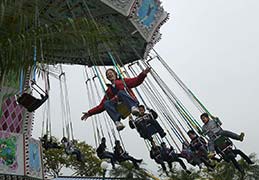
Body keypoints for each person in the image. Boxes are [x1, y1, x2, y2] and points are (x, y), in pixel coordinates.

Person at [81, 67, 151, 131]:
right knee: (106, 103)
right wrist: (90, 113)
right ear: (107, 78)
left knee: (120, 93)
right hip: (121, 108)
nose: (109, 75)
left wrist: (143, 74)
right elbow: (101, 106)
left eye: (110, 73)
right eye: (107, 74)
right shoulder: (109, 90)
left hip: (130, 102)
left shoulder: (123, 81)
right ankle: (117, 121)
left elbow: (136, 81)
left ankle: (133, 107)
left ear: (115, 74)